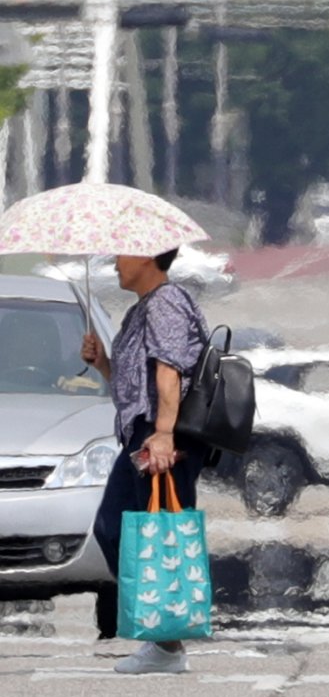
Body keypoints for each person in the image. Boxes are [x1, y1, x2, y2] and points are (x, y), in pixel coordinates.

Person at [82, 248, 209, 675]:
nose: (115, 263)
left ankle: (167, 643)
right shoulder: (144, 308)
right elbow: (135, 383)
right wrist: (102, 363)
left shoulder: (166, 302)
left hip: (159, 437)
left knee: (153, 535)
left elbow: (169, 373)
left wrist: (165, 434)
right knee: (117, 529)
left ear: (148, 257)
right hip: (144, 434)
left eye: (122, 254)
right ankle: (164, 639)